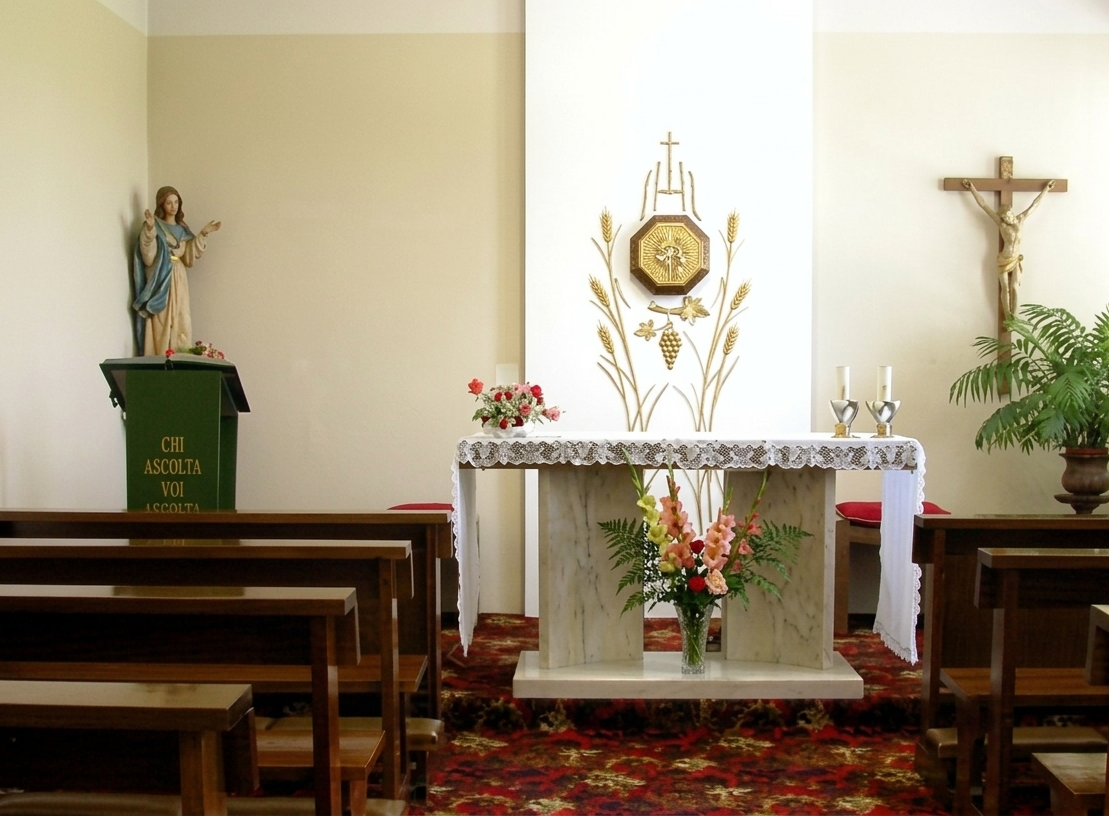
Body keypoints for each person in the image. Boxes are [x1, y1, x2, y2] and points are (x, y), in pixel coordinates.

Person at [132, 186, 221, 356]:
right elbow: (148, 257)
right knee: (162, 319)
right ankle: (160, 353)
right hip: (161, 277)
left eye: (176, 202)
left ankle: (180, 354)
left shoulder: (182, 230)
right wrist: (150, 230)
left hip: (179, 277)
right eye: (168, 203)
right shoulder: (155, 226)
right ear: (161, 205)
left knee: (181, 317)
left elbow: (188, 256)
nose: (173, 206)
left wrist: (203, 233)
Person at [962, 177, 1055, 316]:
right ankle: (1007, 314)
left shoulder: (1021, 219)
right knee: (1005, 288)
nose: (1008, 218)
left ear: (1012, 213)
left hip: (1016, 258)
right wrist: (971, 188)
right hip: (1004, 258)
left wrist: (1046, 189)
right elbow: (984, 205)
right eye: (1005, 217)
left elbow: (1034, 205)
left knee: (1015, 287)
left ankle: (1014, 317)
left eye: (1009, 215)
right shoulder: (1001, 225)